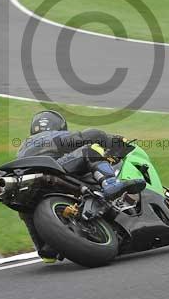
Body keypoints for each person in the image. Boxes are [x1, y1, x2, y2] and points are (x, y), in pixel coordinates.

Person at [16, 110, 146, 262]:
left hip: (34, 183)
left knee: (25, 209)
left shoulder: (23, 148)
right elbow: (88, 136)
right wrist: (113, 140)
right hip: (57, 170)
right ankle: (110, 182)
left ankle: (44, 247)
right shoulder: (53, 136)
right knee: (89, 149)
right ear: (59, 126)